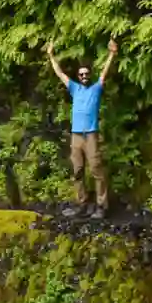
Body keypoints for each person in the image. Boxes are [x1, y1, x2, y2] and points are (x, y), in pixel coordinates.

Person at [46, 38, 117, 211]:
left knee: (96, 169)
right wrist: (50, 55)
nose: (84, 76)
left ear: (89, 76)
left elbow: (104, 73)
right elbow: (60, 74)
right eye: (81, 74)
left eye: (87, 74)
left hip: (90, 135)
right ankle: (82, 202)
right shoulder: (74, 89)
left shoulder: (95, 89)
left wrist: (112, 54)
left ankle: (102, 205)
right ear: (78, 77)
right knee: (77, 170)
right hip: (76, 136)